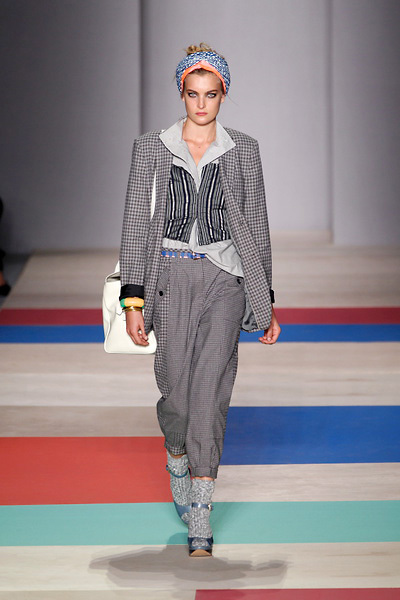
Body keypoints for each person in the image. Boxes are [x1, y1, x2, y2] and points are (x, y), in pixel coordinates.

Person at [119, 43, 281, 557]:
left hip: (225, 277)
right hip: (168, 275)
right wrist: (133, 302)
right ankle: (175, 452)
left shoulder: (244, 149)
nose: (202, 104)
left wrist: (264, 299)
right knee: (177, 395)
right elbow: (136, 224)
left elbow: (257, 225)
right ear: (181, 94)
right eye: (193, 94)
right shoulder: (151, 148)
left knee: (210, 393)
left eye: (211, 94)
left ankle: (201, 515)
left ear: (223, 94)